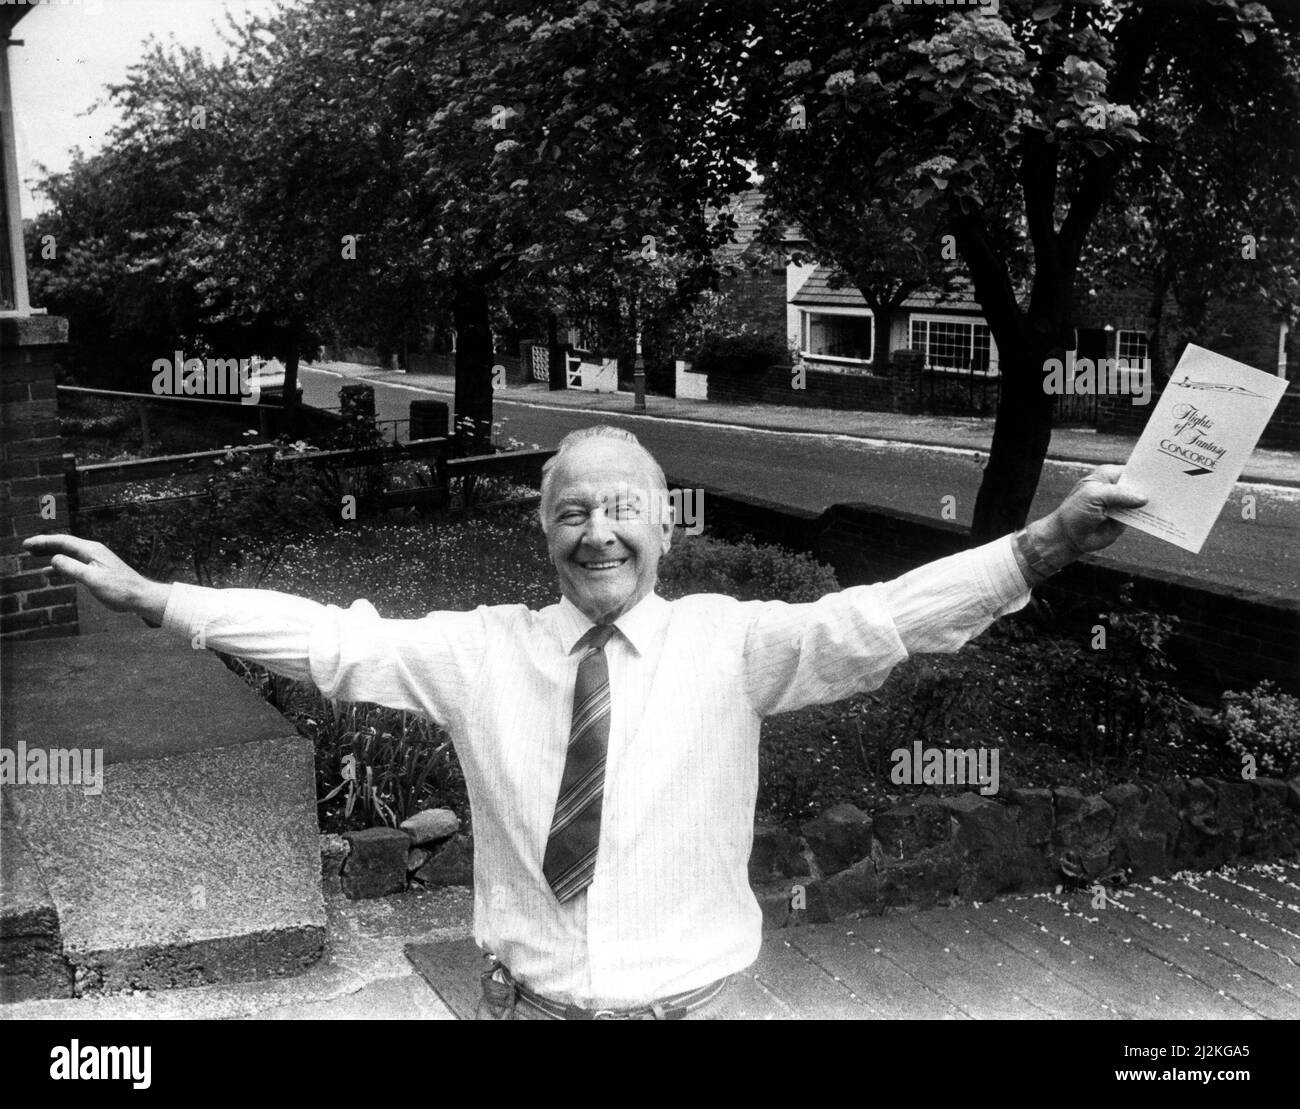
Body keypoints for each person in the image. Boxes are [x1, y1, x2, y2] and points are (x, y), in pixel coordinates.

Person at [25, 425, 1146, 1020]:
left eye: (621, 508)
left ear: (664, 525)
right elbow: (331, 635)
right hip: (527, 1010)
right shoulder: (477, 652)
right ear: (545, 530)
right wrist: (159, 598)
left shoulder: (734, 643)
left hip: (696, 1010)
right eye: (573, 510)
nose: (597, 532)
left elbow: (882, 616)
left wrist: (1042, 545)